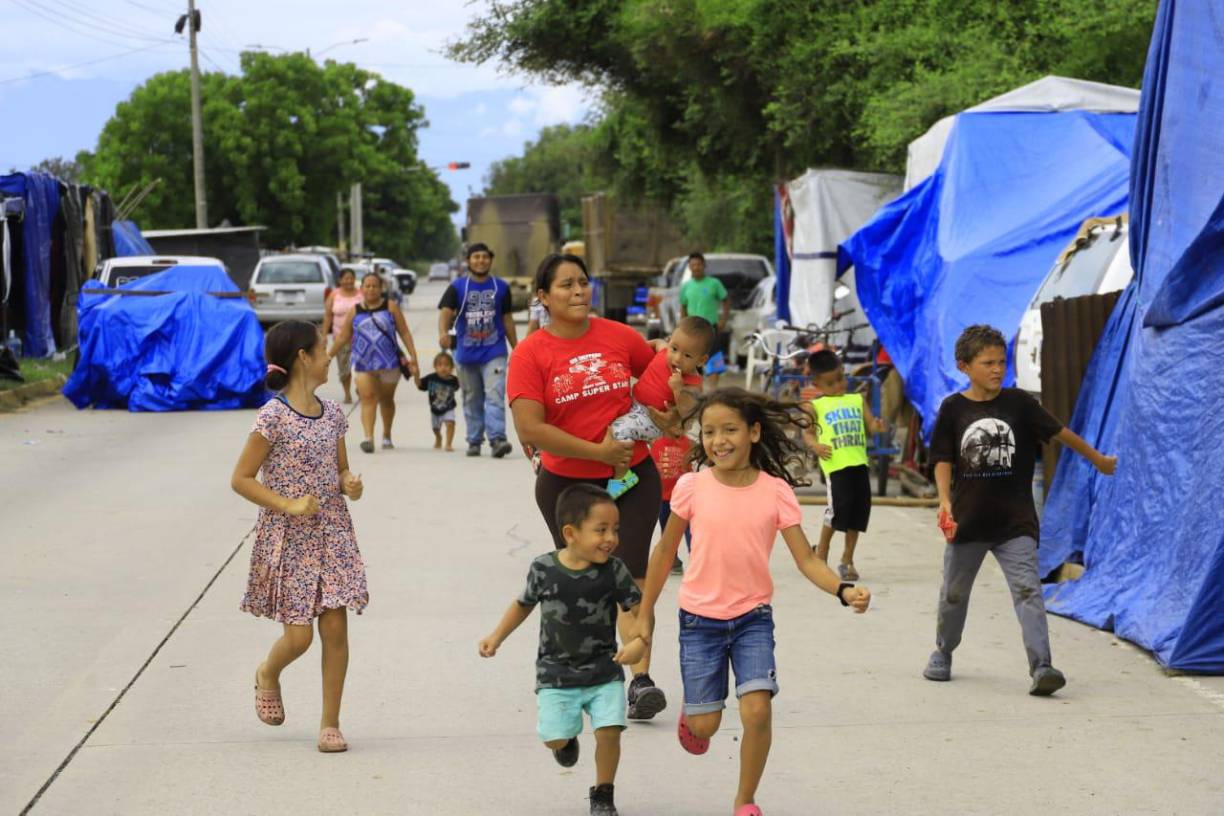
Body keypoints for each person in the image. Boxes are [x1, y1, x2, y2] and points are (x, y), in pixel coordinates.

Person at [633, 387, 871, 816]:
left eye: (729, 430)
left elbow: (806, 560)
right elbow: (665, 552)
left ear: (755, 432)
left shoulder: (775, 491)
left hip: (752, 618)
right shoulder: (691, 486)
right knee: (705, 728)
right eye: (708, 432)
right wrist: (645, 613)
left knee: (757, 711)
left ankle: (745, 801)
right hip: (699, 620)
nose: (718, 440)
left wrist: (840, 588)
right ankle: (697, 711)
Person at [508, 253, 672, 721]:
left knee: (630, 578)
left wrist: (674, 391)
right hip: (567, 486)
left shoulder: (620, 337)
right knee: (587, 580)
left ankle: (640, 680)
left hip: (631, 477)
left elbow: (661, 381)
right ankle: (579, 673)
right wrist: (596, 452)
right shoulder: (531, 353)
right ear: (543, 297)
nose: (578, 292)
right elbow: (530, 428)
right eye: (565, 285)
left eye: (583, 283)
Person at [925, 324, 1117, 695]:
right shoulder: (954, 409)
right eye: (987, 363)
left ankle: (1042, 666)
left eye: (1001, 361)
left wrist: (1097, 459)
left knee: (1028, 590)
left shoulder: (1019, 404)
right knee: (954, 594)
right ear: (964, 366)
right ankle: (943, 651)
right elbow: (943, 459)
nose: (997, 369)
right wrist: (945, 502)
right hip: (968, 523)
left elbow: (1061, 432)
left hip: (1016, 523)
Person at [231, 320, 367, 753]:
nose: (330, 355)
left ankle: (330, 724)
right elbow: (241, 478)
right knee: (299, 638)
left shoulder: (332, 415)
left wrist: (349, 482)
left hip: (333, 534)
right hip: (290, 539)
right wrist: (288, 504)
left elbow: (341, 468)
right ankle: (268, 672)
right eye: (323, 349)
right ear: (303, 358)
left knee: (335, 630)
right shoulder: (273, 416)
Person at [479, 485, 646, 816]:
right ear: (570, 533)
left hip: (604, 669)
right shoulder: (545, 569)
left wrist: (638, 642)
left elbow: (634, 613)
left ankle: (603, 793)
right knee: (554, 737)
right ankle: (566, 742)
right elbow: (523, 604)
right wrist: (497, 636)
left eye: (615, 529)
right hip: (556, 674)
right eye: (600, 530)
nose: (610, 538)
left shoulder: (614, 571)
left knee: (610, 732)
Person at [604, 315, 713, 499]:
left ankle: (623, 478)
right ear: (670, 341)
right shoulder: (664, 352)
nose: (677, 358)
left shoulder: (693, 383)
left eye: (687, 355)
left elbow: (688, 411)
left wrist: (678, 390)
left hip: (650, 418)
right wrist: (642, 348)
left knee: (619, 430)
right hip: (634, 402)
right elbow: (657, 343)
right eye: (675, 348)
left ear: (701, 361)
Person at [803, 349, 887, 581]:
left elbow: (871, 425)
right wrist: (815, 446)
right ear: (817, 383)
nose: (839, 385)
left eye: (841, 378)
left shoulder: (856, 400)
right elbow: (807, 434)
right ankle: (821, 552)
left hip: (859, 463)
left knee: (859, 513)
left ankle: (847, 559)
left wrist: (878, 426)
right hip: (836, 466)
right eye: (830, 383)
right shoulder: (815, 406)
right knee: (837, 510)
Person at [438, 242, 518, 458]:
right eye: (476, 257)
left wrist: (517, 348)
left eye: (484, 257)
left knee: (494, 395)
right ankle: (474, 440)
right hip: (465, 353)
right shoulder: (457, 287)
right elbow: (445, 313)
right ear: (468, 261)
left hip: (495, 351)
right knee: (472, 397)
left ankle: (497, 439)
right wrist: (443, 333)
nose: (480, 260)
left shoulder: (501, 287)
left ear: (490, 260)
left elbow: (507, 319)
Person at [330, 272, 419, 453]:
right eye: (367, 286)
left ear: (381, 288)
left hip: (389, 363)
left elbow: (405, 333)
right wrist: (328, 356)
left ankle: (386, 435)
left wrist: (413, 357)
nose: (371, 289)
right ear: (361, 289)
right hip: (363, 363)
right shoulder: (355, 310)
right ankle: (368, 438)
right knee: (368, 398)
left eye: (374, 286)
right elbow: (343, 337)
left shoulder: (391, 307)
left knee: (386, 399)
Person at [679, 252, 729, 388]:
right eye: (693, 265)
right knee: (693, 364)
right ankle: (697, 397)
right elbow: (683, 306)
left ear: (704, 265)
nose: (696, 267)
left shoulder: (714, 283)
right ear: (689, 267)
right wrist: (682, 326)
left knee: (715, 362)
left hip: (710, 328)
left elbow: (726, 300)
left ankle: (712, 395)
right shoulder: (686, 286)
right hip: (692, 330)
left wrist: (723, 320)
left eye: (698, 264)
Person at [320, 266, 363, 404]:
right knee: (344, 368)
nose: (349, 281)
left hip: (361, 338)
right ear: (340, 280)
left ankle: (360, 388)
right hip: (340, 339)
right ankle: (347, 393)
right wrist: (324, 335)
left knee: (361, 367)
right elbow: (327, 316)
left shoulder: (361, 294)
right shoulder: (334, 295)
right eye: (346, 279)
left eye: (351, 278)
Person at [416, 351, 460, 451]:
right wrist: (416, 374)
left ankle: (448, 444)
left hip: (449, 407)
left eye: (446, 365)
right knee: (435, 428)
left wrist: (461, 371)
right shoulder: (431, 378)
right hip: (435, 409)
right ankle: (438, 437)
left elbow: (462, 385)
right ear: (435, 367)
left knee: (450, 423)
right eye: (439, 365)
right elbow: (419, 384)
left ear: (452, 368)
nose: (443, 368)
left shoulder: (454, 380)